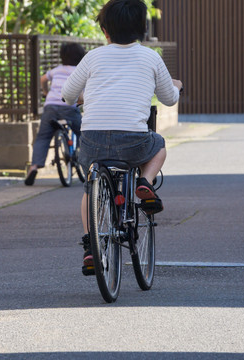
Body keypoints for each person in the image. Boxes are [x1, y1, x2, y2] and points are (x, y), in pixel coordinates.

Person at [61, 0, 183, 275]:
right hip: (133, 142)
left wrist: (84, 95)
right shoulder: (151, 57)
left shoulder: (92, 57)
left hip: (93, 142)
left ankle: (91, 247)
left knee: (90, 186)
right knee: (159, 146)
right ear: (142, 28)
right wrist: (178, 86)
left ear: (105, 31)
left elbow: (67, 95)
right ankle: (144, 182)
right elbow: (169, 98)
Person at [24, 42, 86, 186]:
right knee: (84, 133)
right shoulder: (80, 71)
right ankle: (88, 165)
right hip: (69, 106)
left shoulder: (57, 70)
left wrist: (46, 92)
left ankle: (34, 167)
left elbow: (42, 79)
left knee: (43, 137)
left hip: (51, 106)